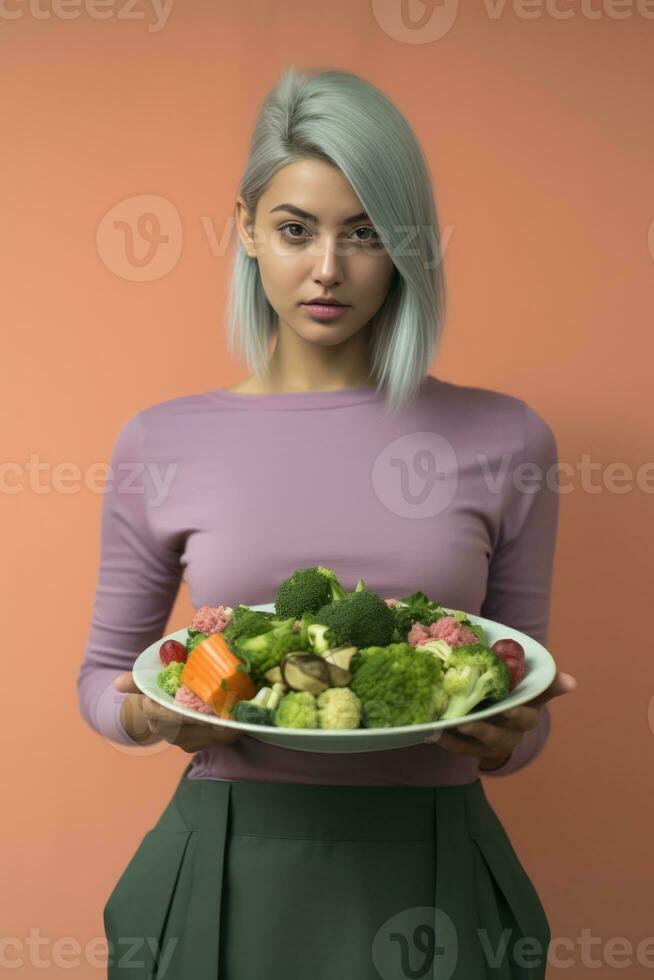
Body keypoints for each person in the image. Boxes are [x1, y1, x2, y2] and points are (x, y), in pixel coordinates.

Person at [77, 66, 577, 980]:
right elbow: (101, 680)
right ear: (246, 230)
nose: (327, 269)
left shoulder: (508, 439)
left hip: (435, 861)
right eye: (296, 230)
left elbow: (525, 698)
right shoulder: (163, 440)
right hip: (227, 857)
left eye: (366, 234)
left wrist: (511, 735)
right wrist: (153, 719)